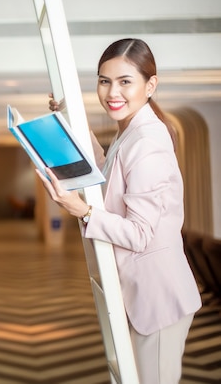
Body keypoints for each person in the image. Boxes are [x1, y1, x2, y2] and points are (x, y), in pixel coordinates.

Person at [37, 38, 202, 384]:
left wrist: (83, 212)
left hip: (157, 300)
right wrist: (67, 122)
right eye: (104, 80)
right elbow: (103, 169)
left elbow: (139, 233)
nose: (113, 92)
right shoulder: (131, 133)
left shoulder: (147, 142)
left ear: (150, 85)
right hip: (137, 293)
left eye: (126, 81)